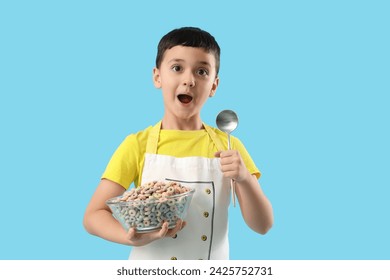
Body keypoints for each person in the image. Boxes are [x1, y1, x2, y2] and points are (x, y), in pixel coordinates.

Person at [83, 27, 273, 260]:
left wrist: (244, 178)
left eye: (202, 71)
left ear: (214, 85)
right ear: (157, 76)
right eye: (177, 68)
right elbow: (93, 215)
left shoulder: (229, 146)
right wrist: (130, 236)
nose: (189, 80)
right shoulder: (137, 145)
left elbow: (262, 225)